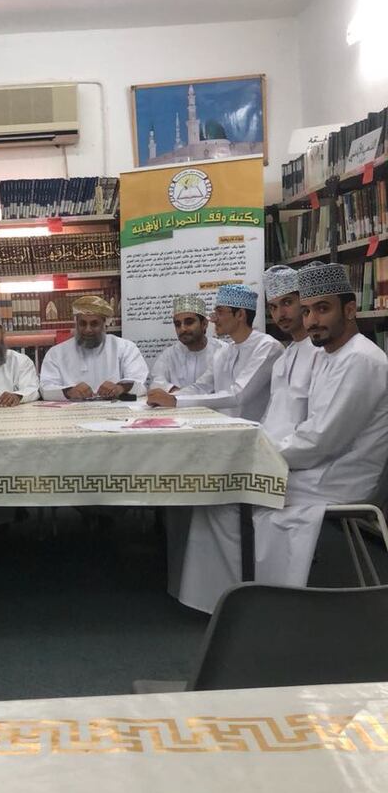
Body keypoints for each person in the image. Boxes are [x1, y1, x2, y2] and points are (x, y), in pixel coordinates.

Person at [175, 262, 388, 614]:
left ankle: (252, 604)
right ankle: (231, 598)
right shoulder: (330, 355)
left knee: (226, 497)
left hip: (338, 477)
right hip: (317, 466)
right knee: (220, 492)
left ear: (350, 309)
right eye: (308, 311)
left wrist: (256, 456)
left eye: (322, 309)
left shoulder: (361, 361)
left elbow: (320, 440)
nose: (311, 320)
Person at [147, 284, 282, 421]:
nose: (213, 319)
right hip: (225, 427)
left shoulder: (267, 347)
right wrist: (169, 398)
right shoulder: (224, 352)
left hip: (256, 430)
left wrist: (176, 401)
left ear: (240, 314)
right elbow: (201, 387)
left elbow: (237, 395)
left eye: (220, 312)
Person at [39, 294, 148, 400]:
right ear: (76, 324)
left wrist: (119, 388)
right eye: (83, 324)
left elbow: (140, 383)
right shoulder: (56, 353)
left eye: (94, 324)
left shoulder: (125, 348)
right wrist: (69, 391)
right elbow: (46, 388)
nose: (88, 329)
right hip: (73, 410)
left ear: (104, 324)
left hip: (114, 410)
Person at [260, 264, 319, 441]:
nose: (280, 314)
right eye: (273, 307)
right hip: (270, 446)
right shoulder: (284, 358)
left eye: (287, 303)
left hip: (299, 448)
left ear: (304, 302)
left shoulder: (321, 353)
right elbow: (271, 414)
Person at [149, 295, 226, 391]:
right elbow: (155, 381)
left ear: (204, 324)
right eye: (178, 324)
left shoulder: (222, 351)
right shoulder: (169, 355)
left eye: (189, 322)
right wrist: (173, 390)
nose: (182, 329)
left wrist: (180, 396)